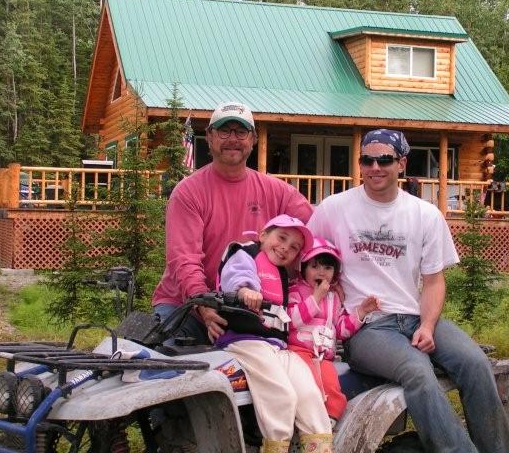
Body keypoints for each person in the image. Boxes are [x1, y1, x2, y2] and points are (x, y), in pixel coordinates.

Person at [307, 129, 509, 453]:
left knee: (475, 363)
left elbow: (434, 282)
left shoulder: (426, 214)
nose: (375, 167)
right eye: (367, 159)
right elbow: (306, 260)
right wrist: (328, 294)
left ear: (401, 163)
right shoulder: (333, 209)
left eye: (385, 160)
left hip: (413, 317)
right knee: (417, 371)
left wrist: (429, 326)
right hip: (367, 328)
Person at [152, 101, 313, 344]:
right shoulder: (188, 192)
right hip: (187, 306)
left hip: (250, 307)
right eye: (224, 131)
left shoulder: (278, 192)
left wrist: (329, 277)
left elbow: (319, 229)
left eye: (241, 132)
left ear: (253, 139)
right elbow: (183, 260)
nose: (233, 139)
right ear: (209, 136)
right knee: (163, 358)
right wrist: (203, 304)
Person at [217, 214, 333, 453]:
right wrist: (246, 290)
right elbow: (238, 275)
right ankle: (276, 446)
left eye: (294, 247)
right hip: (245, 340)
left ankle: (319, 448)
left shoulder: (281, 273)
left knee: (310, 393)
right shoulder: (245, 253)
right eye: (281, 238)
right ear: (263, 235)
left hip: (275, 345)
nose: (284, 248)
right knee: (282, 395)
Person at [287, 237, 380, 423]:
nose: (321, 272)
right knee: (308, 387)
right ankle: (306, 421)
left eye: (328, 268)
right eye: (315, 266)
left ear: (335, 273)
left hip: (324, 357)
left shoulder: (334, 298)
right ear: (303, 268)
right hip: (299, 352)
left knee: (332, 386)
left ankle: (329, 421)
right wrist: (315, 297)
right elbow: (291, 321)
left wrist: (361, 312)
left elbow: (340, 329)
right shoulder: (295, 291)